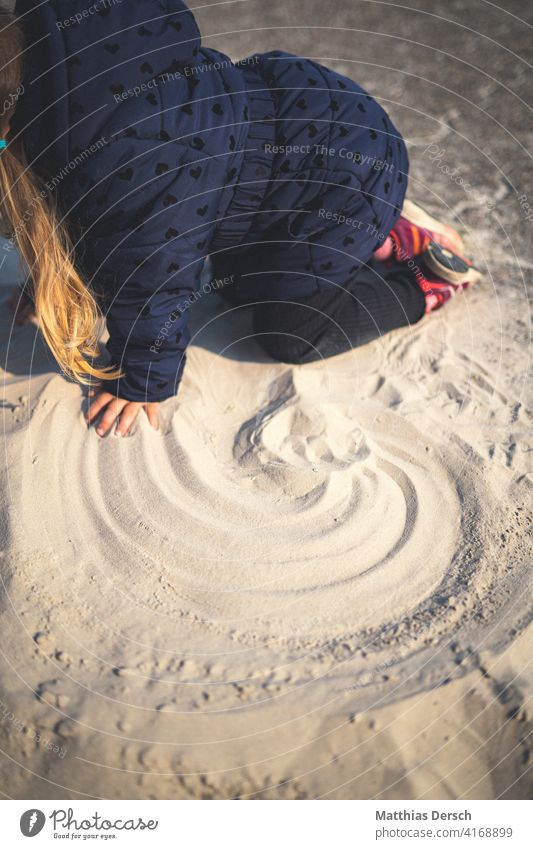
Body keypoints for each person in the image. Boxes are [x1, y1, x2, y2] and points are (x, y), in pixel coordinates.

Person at [0, 0, 479, 437]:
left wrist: (144, 380)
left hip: (340, 179)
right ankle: (377, 229)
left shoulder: (122, 168)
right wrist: (51, 274)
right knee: (231, 283)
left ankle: (421, 278)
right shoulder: (64, 38)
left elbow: (154, 279)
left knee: (288, 331)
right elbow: (76, 215)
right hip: (307, 110)